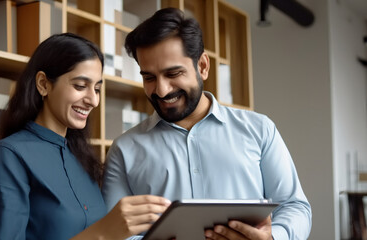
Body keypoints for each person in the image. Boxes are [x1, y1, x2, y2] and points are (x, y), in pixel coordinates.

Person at [102, 8, 312, 240]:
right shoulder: (123, 150)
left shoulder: (260, 130)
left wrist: (273, 238)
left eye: (173, 73)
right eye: (149, 77)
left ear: (202, 66)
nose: (161, 90)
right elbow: (115, 233)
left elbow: (295, 206)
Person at [0, 33, 170, 240]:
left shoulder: (82, 156)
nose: (93, 100)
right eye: (80, 86)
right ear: (44, 84)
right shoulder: (10, 155)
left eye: (97, 89)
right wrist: (103, 233)